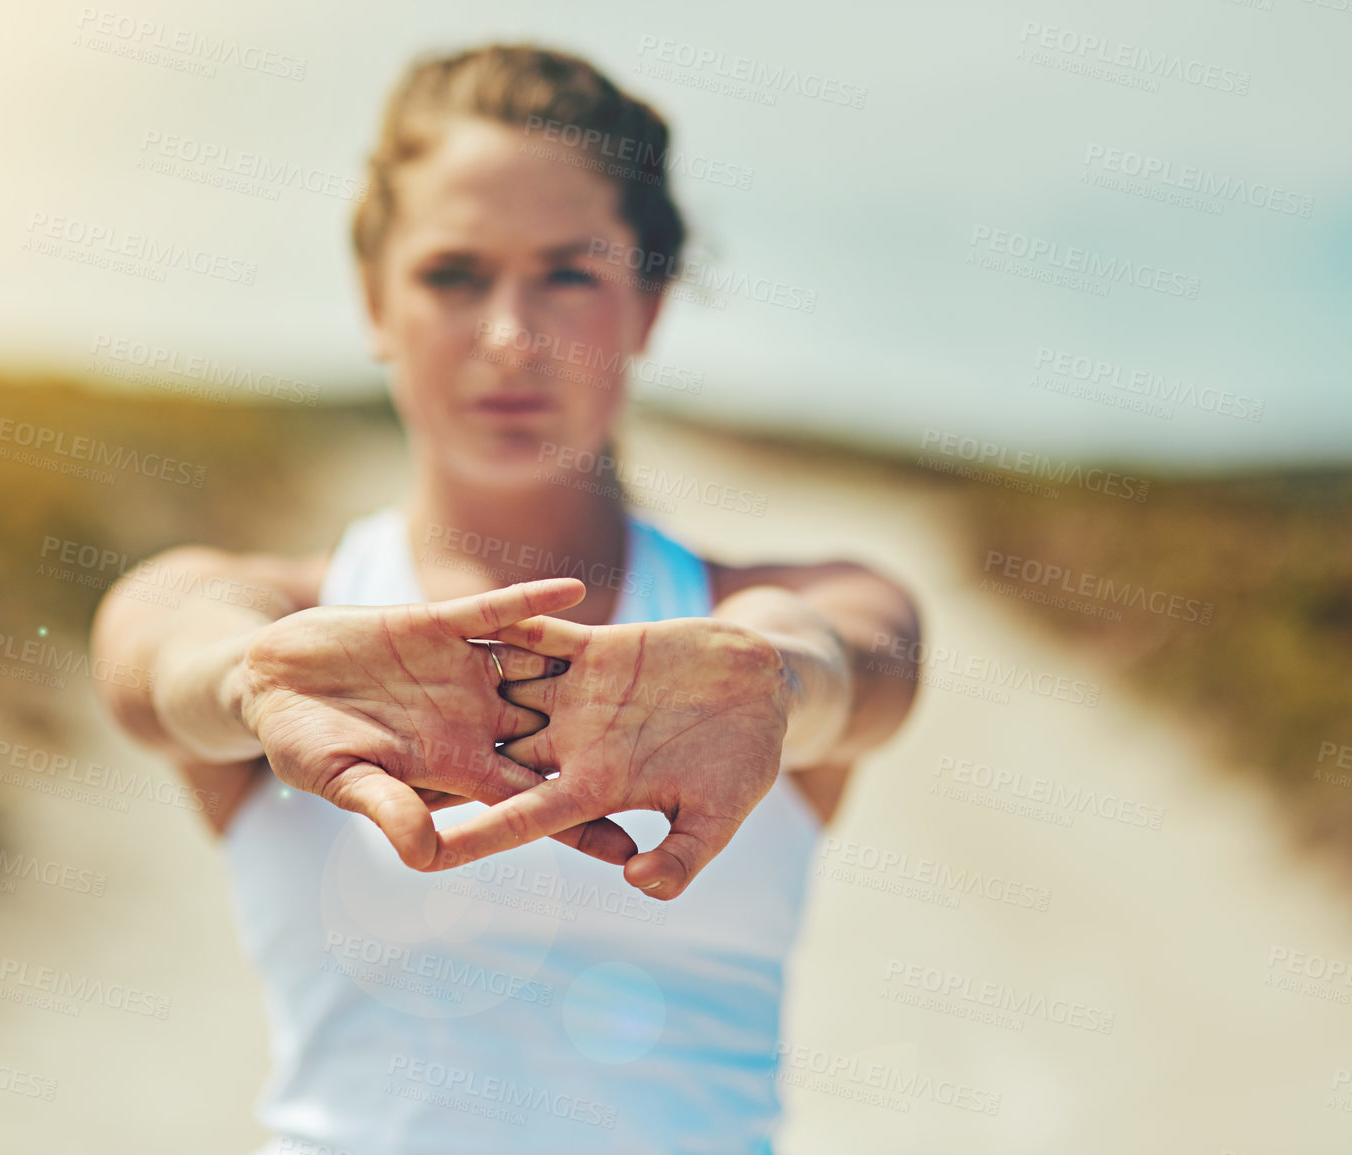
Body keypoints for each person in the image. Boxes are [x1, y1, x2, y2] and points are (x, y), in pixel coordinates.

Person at [90, 42, 921, 1155]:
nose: (509, 337)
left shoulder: (774, 609)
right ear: (374, 300)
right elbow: (160, 655)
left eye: (569, 273)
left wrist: (776, 681)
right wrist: (246, 680)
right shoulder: (298, 630)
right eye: (453, 275)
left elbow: (853, 664)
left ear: (650, 307)